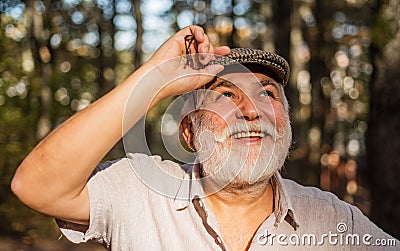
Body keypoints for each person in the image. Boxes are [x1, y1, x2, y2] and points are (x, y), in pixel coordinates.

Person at [11, 26, 398, 250]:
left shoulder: (331, 218)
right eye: (227, 96)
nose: (252, 110)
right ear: (190, 132)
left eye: (267, 94)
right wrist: (156, 79)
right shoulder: (140, 192)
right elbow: (37, 186)